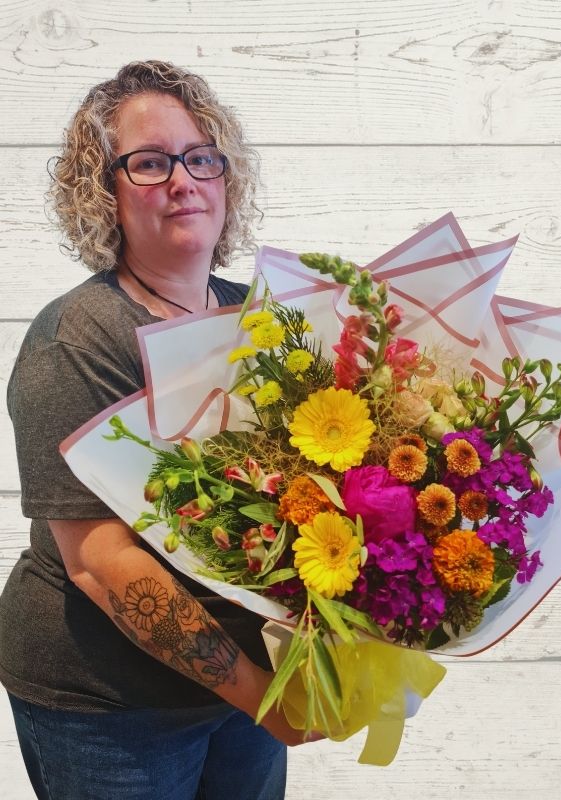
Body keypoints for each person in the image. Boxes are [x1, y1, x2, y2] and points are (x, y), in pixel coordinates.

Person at [0, 59, 320, 800]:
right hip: (110, 706)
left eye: (201, 157)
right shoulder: (77, 342)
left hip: (247, 684)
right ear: (103, 193)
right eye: (149, 163)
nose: (183, 180)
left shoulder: (266, 318)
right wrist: (261, 697)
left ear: (226, 176)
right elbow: (102, 561)